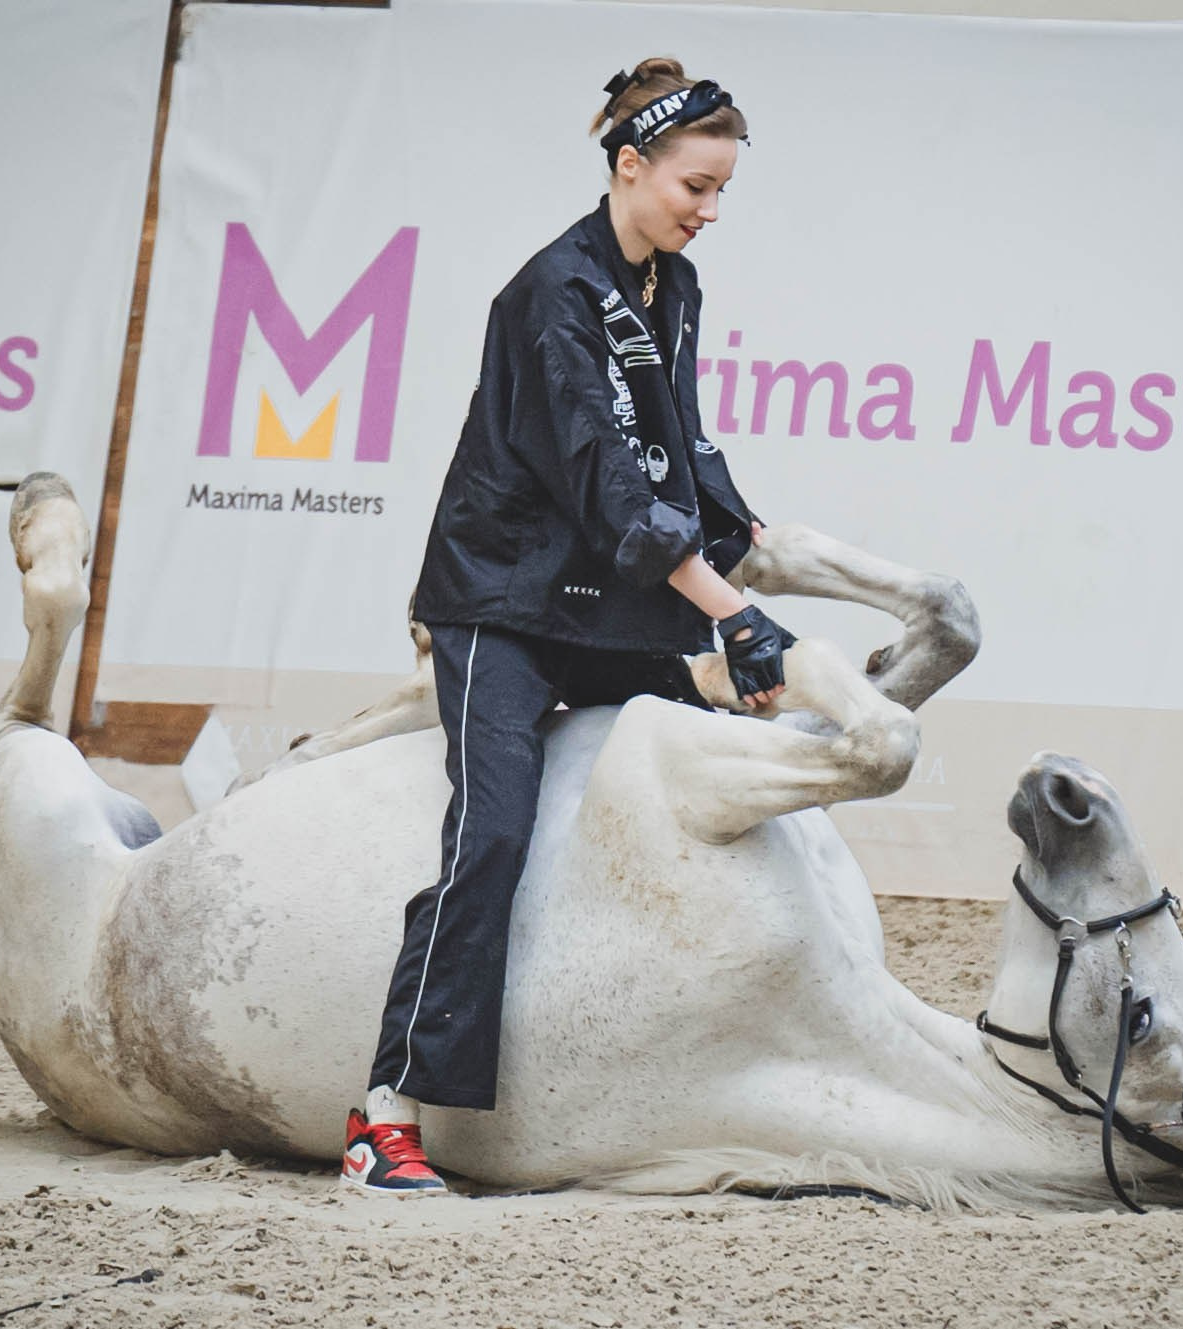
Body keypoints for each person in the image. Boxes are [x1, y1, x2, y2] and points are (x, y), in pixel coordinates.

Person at [340, 57, 796, 1195]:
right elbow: (605, 486)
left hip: (601, 600)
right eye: (693, 186)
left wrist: (739, 561)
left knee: (721, 742)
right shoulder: (549, 292)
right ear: (628, 165)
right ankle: (381, 1116)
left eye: (721, 191)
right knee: (490, 836)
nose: (708, 211)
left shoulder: (670, 289)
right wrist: (727, 611)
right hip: (499, 602)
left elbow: (680, 449)